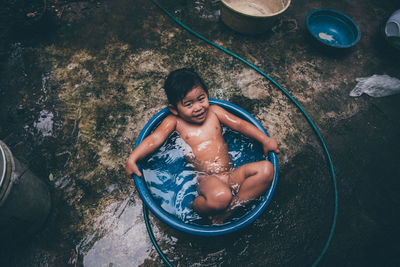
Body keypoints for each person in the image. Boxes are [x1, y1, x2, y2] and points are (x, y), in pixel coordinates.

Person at [126, 68, 279, 224]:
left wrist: (264, 139)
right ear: (174, 109)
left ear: (207, 95)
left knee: (267, 170)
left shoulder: (215, 112)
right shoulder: (175, 123)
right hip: (208, 179)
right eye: (188, 104)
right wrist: (133, 158)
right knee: (221, 196)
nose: (198, 107)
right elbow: (155, 138)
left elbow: (240, 125)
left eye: (201, 98)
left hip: (231, 175)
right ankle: (195, 206)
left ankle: (231, 209)